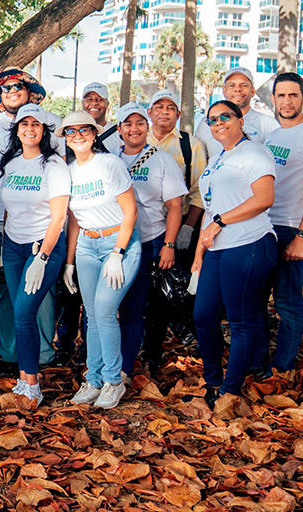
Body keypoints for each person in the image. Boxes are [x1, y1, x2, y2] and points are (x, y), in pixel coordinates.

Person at [0, 68, 62, 376]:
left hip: (41, 225)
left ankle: (44, 354)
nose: (12, 91)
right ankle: (10, 354)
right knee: (5, 291)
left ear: (29, 92)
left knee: (41, 292)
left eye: (18, 87)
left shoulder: (51, 126)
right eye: (5, 88)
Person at [192, 100, 278, 405]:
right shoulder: (217, 158)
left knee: (241, 321)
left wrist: (219, 222)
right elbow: (211, 206)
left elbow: (264, 198)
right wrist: (199, 253)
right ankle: (213, 381)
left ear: (240, 119)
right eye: (212, 119)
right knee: (203, 317)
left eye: (224, 117)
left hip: (249, 244)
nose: (218, 123)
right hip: (216, 249)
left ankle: (230, 390)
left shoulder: (253, 152)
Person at [61, 110, 140, 410]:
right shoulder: (69, 171)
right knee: (92, 315)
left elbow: (130, 211)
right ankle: (93, 380)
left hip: (118, 242)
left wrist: (118, 253)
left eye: (84, 130)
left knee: (106, 311)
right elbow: (74, 221)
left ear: (94, 134)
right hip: (86, 245)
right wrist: (69, 261)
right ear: (66, 139)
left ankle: (113, 381)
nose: (78, 135)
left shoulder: (109, 164)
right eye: (71, 131)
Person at [253, 73, 303, 375]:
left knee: (287, 302)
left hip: (291, 229)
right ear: (273, 99)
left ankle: (282, 367)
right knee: (256, 299)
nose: (287, 101)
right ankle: (258, 362)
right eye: (281, 95)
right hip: (264, 227)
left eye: (293, 95)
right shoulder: (273, 136)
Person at [0, 102, 70, 402]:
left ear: (44, 130)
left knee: (26, 312)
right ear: (17, 130)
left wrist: (41, 258)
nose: (29, 129)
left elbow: (59, 217)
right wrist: (3, 249)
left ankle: (34, 386)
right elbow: (8, 210)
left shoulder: (54, 166)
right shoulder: (10, 164)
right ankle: (24, 380)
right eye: (24, 124)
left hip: (44, 246)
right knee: (18, 313)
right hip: (13, 246)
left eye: (35, 124)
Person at [112, 102, 187, 376]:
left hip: (148, 241)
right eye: (128, 124)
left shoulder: (162, 160)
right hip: (112, 244)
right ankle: (102, 363)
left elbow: (175, 206)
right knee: (106, 308)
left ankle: (125, 368)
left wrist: (168, 244)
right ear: (119, 129)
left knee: (136, 306)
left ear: (147, 126)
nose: (134, 129)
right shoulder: (110, 160)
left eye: (140, 123)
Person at [147, 90, 209, 255]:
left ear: (178, 114)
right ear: (149, 112)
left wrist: (188, 227)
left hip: (180, 222)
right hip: (142, 224)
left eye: (171, 108)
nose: (165, 111)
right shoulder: (136, 141)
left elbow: (199, 191)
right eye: (159, 107)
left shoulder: (192, 145)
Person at [195, 67, 279, 160]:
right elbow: (199, 162)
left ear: (252, 91)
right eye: (231, 85)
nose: (237, 89)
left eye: (244, 85)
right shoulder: (206, 124)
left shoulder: (269, 124)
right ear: (224, 91)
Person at [82, 82, 123, 154]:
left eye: (100, 99)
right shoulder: (74, 134)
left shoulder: (118, 133)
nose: (94, 103)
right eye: (89, 99)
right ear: (82, 103)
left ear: (107, 103)